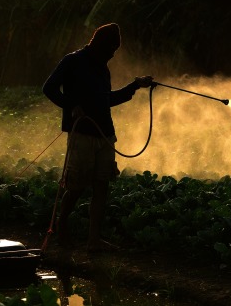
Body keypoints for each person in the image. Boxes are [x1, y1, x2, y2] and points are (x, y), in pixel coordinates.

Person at [42, 23, 153, 252]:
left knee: (102, 186)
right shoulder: (72, 61)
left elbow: (107, 100)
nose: (112, 55)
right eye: (110, 50)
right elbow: (49, 88)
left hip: (105, 134)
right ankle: (61, 227)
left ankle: (93, 240)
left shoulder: (103, 68)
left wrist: (135, 86)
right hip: (81, 132)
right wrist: (71, 106)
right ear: (98, 44)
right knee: (76, 187)